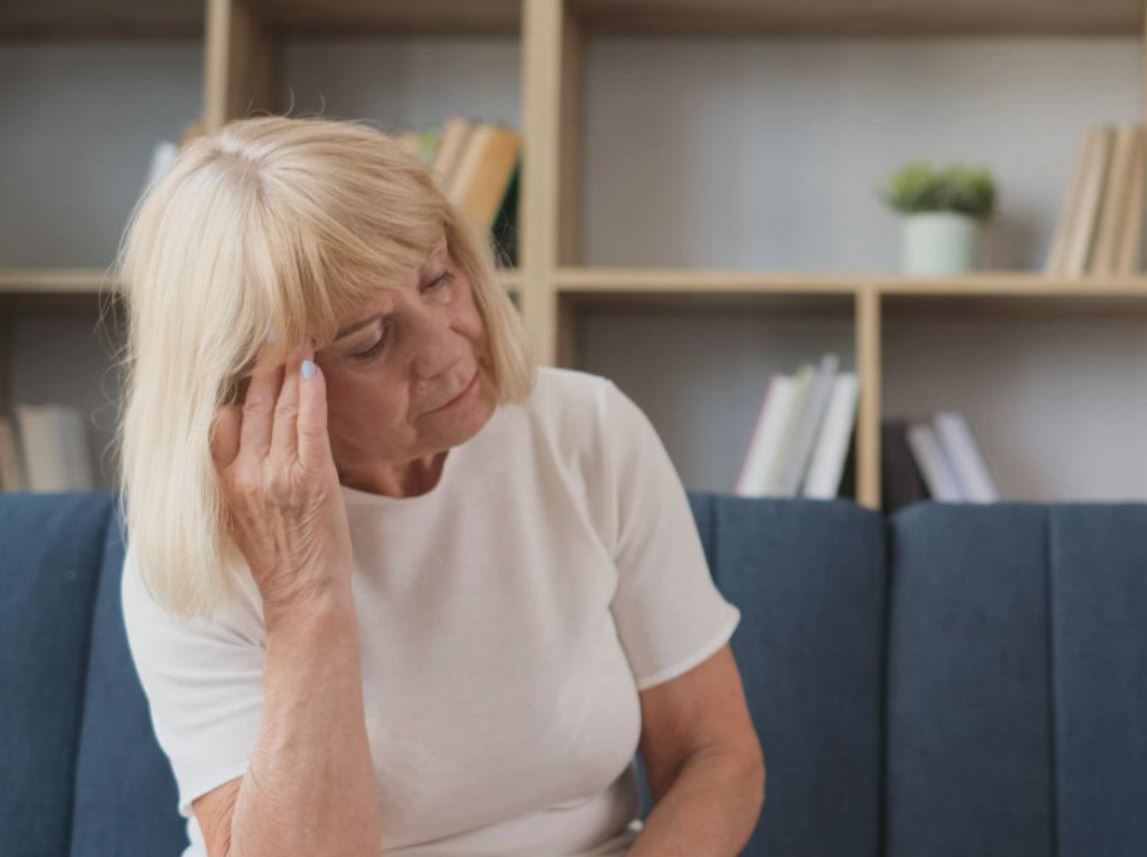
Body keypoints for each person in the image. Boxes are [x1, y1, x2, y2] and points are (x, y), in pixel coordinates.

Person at [114, 114, 764, 857]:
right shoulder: (193, 557)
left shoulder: (586, 429)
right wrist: (305, 593)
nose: (446, 347)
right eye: (369, 340)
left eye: (438, 279)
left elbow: (715, 756)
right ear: (244, 389)